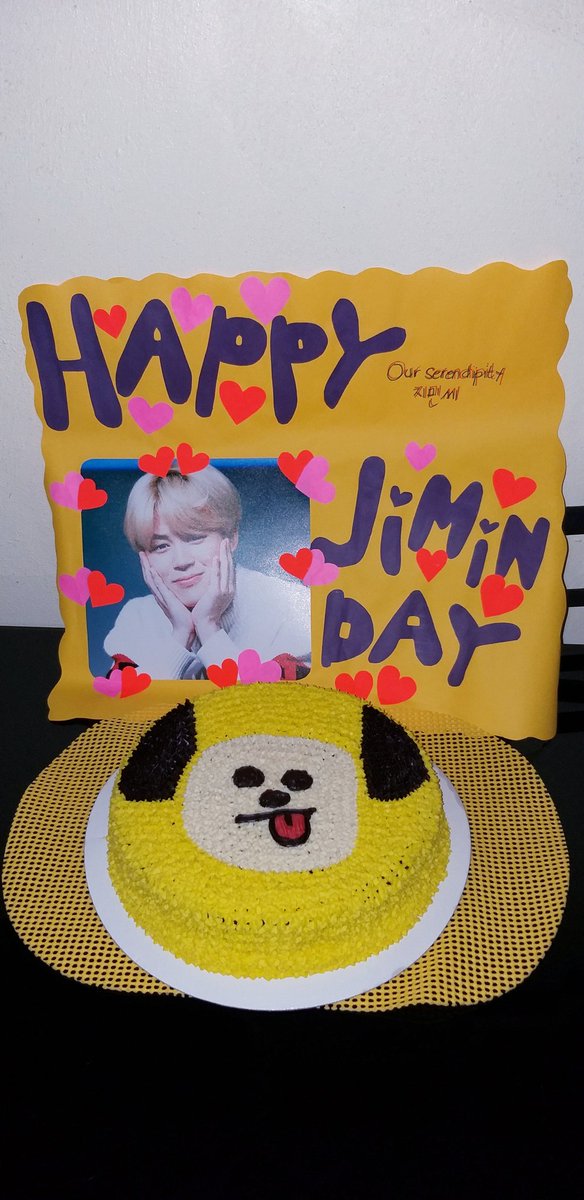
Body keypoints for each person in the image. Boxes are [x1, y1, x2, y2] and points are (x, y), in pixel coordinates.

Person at [103, 464, 311, 680]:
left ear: (231, 537)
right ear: (144, 557)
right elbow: (129, 701)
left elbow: (267, 701)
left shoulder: (288, 607)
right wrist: (181, 634)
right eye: (161, 546)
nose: (181, 561)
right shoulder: (136, 617)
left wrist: (208, 627)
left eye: (194, 537)